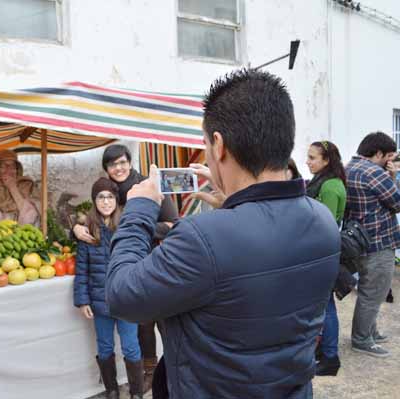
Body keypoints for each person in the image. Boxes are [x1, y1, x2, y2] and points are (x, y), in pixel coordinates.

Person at [105, 69, 340, 398]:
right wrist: (234, 205)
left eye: (204, 144)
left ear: (219, 145)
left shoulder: (202, 237)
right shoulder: (323, 221)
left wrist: (140, 209)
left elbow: (121, 294)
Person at [73, 144, 178, 391]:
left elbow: (172, 225)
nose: (117, 168)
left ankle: (175, 368)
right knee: (142, 322)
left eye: (122, 162)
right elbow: (98, 222)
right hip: (129, 264)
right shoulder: (110, 191)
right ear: (106, 169)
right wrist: (75, 229)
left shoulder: (148, 185)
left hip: (155, 260)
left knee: (164, 319)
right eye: (112, 164)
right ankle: (149, 372)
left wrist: (135, 226)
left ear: (130, 162)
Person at [73, 177, 144, 399]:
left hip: (126, 299)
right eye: (100, 197)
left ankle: (136, 392)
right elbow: (82, 270)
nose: (105, 202)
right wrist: (83, 300)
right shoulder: (87, 232)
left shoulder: (127, 226)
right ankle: (111, 389)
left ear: (116, 200)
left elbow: (138, 262)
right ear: (95, 201)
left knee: (131, 346)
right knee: (104, 347)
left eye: (110, 197)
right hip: (100, 300)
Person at [346, 131, 400, 358]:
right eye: (389, 156)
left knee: (370, 290)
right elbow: (397, 202)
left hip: (359, 240)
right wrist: (393, 176)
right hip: (379, 242)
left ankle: (371, 330)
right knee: (373, 292)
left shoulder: (349, 167)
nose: (391, 161)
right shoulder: (374, 172)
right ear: (377, 153)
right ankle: (362, 339)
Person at [306, 140, 347, 376]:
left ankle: (331, 357)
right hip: (321, 252)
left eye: (312, 158)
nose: (308, 161)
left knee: (326, 306)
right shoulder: (323, 181)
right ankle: (325, 352)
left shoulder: (330, 186)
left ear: (326, 160)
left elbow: (326, 224)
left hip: (322, 254)